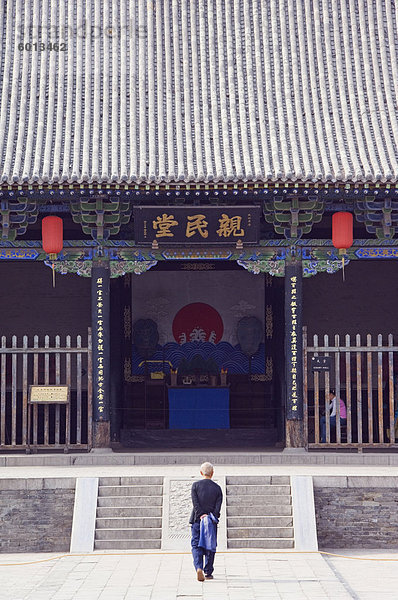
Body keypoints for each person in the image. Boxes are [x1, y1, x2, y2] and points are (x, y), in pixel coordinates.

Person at [189, 462, 223, 582]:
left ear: (201, 473)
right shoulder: (217, 488)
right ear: (212, 473)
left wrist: (201, 515)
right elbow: (218, 508)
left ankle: (199, 567)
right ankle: (208, 572)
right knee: (210, 545)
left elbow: (195, 503)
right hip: (211, 521)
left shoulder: (195, 486)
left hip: (197, 520)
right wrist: (210, 516)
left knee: (196, 544)